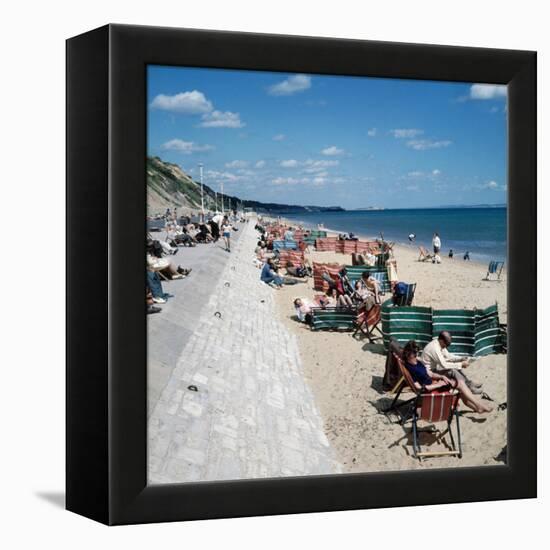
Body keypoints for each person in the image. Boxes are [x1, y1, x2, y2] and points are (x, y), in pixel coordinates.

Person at [402, 341, 492, 414]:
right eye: (414, 354)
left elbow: (431, 374)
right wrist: (438, 385)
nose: (416, 356)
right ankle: (478, 404)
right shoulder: (410, 369)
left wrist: (441, 377)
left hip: (435, 383)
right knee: (460, 384)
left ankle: (477, 407)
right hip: (431, 391)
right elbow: (419, 388)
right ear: (407, 354)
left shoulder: (417, 362)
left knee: (458, 383)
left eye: (417, 353)